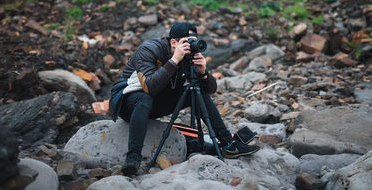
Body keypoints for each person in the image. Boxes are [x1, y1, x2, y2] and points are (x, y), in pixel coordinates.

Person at [110, 22, 260, 176]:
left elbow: (210, 90)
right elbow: (150, 87)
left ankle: (228, 144)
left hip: (155, 102)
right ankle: (133, 158)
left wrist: (203, 73)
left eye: (193, 42)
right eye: (187, 42)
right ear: (173, 42)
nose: (190, 46)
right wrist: (174, 60)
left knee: (196, 92)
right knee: (144, 98)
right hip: (128, 102)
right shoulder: (149, 49)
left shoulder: (188, 57)